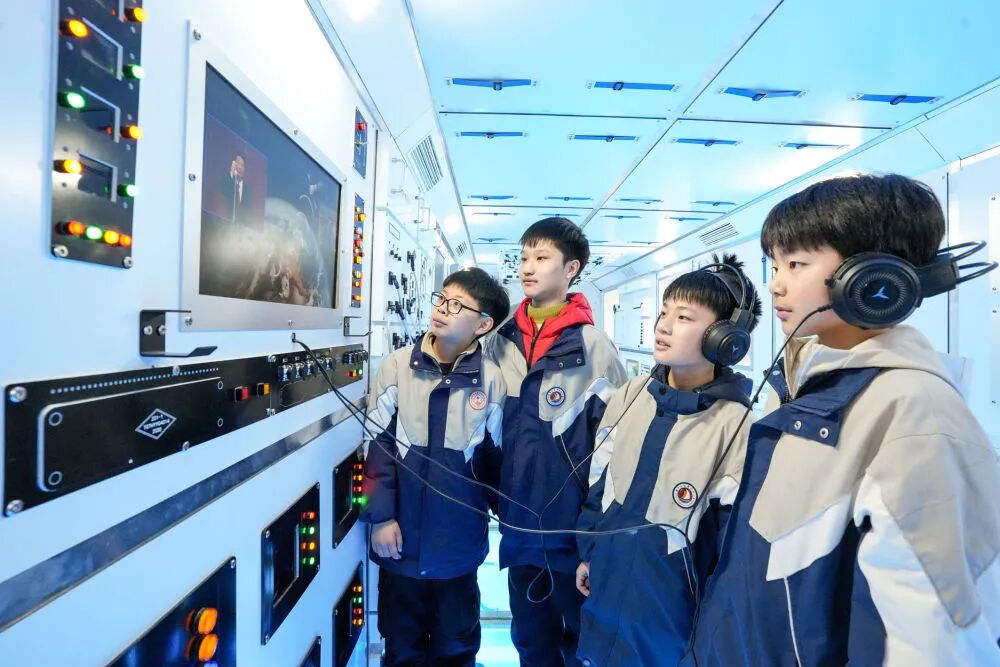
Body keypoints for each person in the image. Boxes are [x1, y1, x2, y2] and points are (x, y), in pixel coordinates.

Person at [686, 174, 1000, 665]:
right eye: (774, 265)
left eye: (796, 264)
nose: (775, 283)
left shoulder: (915, 412)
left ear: (871, 278)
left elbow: (935, 636)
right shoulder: (804, 385)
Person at [574, 253, 762, 667]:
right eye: (664, 312)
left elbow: (731, 547)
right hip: (606, 589)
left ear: (722, 338)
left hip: (671, 619)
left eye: (684, 317)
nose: (663, 325)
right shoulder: (630, 396)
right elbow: (599, 483)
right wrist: (589, 551)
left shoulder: (736, 426)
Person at [487, 217, 628, 666]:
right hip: (518, 527)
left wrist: (599, 529)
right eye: (523, 257)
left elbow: (618, 441)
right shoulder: (499, 342)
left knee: (581, 646)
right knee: (530, 642)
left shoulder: (593, 347)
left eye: (542, 257)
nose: (528, 267)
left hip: (573, 533)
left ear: (571, 269)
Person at [363, 267, 511, 666]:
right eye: (442, 299)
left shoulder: (491, 381)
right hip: (400, 542)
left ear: (483, 324)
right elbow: (376, 446)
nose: (442, 309)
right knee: (401, 647)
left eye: (457, 305)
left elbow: (495, 463)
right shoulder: (397, 367)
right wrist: (380, 518)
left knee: (456, 647)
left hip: (458, 546)